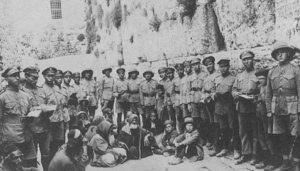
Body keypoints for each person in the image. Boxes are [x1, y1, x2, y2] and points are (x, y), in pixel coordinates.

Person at [266, 42, 300, 171]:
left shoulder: (296, 70)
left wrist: (299, 110)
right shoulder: (271, 72)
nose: (280, 55)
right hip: (277, 109)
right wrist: (269, 110)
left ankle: (296, 162)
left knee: (296, 135)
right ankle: (286, 162)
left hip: (293, 108)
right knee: (282, 136)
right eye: (277, 53)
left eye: (283, 52)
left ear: (289, 54)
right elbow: (268, 93)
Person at [0, 67, 37, 168]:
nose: (17, 77)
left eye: (18, 75)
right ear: (6, 78)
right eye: (13, 75)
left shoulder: (25, 95)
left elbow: (30, 113)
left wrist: (33, 116)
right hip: (11, 139)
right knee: (14, 166)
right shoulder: (2, 97)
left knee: (31, 164)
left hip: (27, 137)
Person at [232, 51, 260, 165]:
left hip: (254, 107)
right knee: (243, 132)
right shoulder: (239, 75)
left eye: (249, 59)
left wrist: (255, 97)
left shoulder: (258, 74)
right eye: (244, 59)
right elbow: (233, 89)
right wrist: (235, 94)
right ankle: (246, 154)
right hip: (242, 107)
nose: (247, 61)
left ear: (253, 59)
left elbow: (263, 90)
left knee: (255, 132)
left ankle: (255, 155)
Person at [23, 67, 52, 171]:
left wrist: (49, 109)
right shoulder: (22, 91)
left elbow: (48, 104)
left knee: (46, 155)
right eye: (33, 78)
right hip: (31, 129)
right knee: (32, 157)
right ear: (26, 76)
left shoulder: (41, 89)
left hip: (44, 127)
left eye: (37, 78)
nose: (35, 80)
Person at [40, 67, 69, 160]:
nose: (51, 78)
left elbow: (62, 103)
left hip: (59, 120)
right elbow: (42, 107)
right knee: (50, 147)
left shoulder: (57, 88)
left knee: (60, 144)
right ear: (44, 76)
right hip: (49, 122)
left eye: (53, 76)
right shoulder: (42, 89)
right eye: (49, 76)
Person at [213, 59, 237, 158]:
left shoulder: (233, 78)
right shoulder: (217, 78)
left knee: (233, 128)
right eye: (221, 67)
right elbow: (213, 91)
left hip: (229, 106)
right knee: (223, 129)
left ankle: (236, 149)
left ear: (228, 67)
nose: (223, 69)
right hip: (219, 106)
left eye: (225, 67)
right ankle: (224, 148)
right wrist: (213, 94)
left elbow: (235, 92)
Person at [253, 68, 272, 169]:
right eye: (258, 78)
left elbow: (269, 100)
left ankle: (270, 160)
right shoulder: (260, 87)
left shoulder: (269, 87)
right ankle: (263, 158)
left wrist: (261, 99)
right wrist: (256, 99)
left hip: (267, 116)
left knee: (268, 137)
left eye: (262, 78)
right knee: (260, 136)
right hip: (259, 114)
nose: (260, 80)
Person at [202, 56, 220, 156]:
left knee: (217, 123)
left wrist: (211, 95)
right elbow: (203, 89)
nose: (209, 66)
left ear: (213, 64)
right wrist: (203, 95)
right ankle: (213, 142)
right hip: (207, 102)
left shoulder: (217, 75)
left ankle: (217, 146)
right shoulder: (206, 77)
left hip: (216, 101)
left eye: (210, 64)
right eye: (207, 65)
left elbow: (218, 88)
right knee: (211, 123)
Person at [190, 58, 207, 145]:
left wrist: (203, 97)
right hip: (193, 99)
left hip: (202, 98)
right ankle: (199, 138)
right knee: (196, 119)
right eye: (193, 65)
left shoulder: (204, 74)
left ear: (200, 65)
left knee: (204, 119)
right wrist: (189, 103)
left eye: (197, 64)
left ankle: (205, 138)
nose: (195, 66)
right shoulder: (191, 76)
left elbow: (206, 86)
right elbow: (188, 90)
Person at [173, 63, 185, 133]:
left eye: (181, 70)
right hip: (177, 99)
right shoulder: (175, 80)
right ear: (176, 71)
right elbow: (173, 92)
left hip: (184, 98)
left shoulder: (187, 78)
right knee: (178, 116)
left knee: (185, 116)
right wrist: (174, 102)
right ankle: (181, 132)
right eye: (178, 70)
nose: (180, 71)